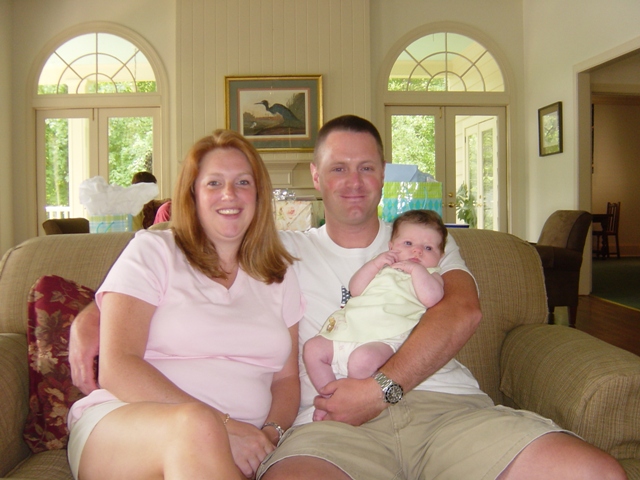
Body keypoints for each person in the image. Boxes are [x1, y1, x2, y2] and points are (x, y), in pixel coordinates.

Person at [71, 116, 626, 480]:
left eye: (366, 168)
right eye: (338, 168)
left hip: (446, 409)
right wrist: (95, 310)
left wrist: (382, 389)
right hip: (330, 428)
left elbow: (462, 311)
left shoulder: (422, 240)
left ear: (384, 176)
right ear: (316, 177)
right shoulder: (281, 253)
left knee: (597, 474)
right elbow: (184, 253)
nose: (353, 181)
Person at [66, 130, 304, 480]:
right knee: (198, 426)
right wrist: (224, 426)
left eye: (243, 182)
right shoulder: (154, 251)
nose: (229, 194)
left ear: (258, 194)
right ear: (192, 194)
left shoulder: (279, 274)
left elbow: (286, 380)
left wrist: (267, 435)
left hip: (236, 446)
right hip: (127, 426)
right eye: (213, 183)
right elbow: (117, 367)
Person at [303, 209, 445, 421]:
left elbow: (432, 298)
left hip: (386, 337)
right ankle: (329, 397)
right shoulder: (382, 267)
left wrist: (417, 271)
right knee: (312, 349)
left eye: (428, 248)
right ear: (391, 247)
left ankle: (353, 403)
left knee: (361, 362)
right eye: (408, 243)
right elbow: (356, 289)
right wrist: (376, 264)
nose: (417, 251)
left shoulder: (431, 275)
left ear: (441, 256)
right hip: (349, 329)